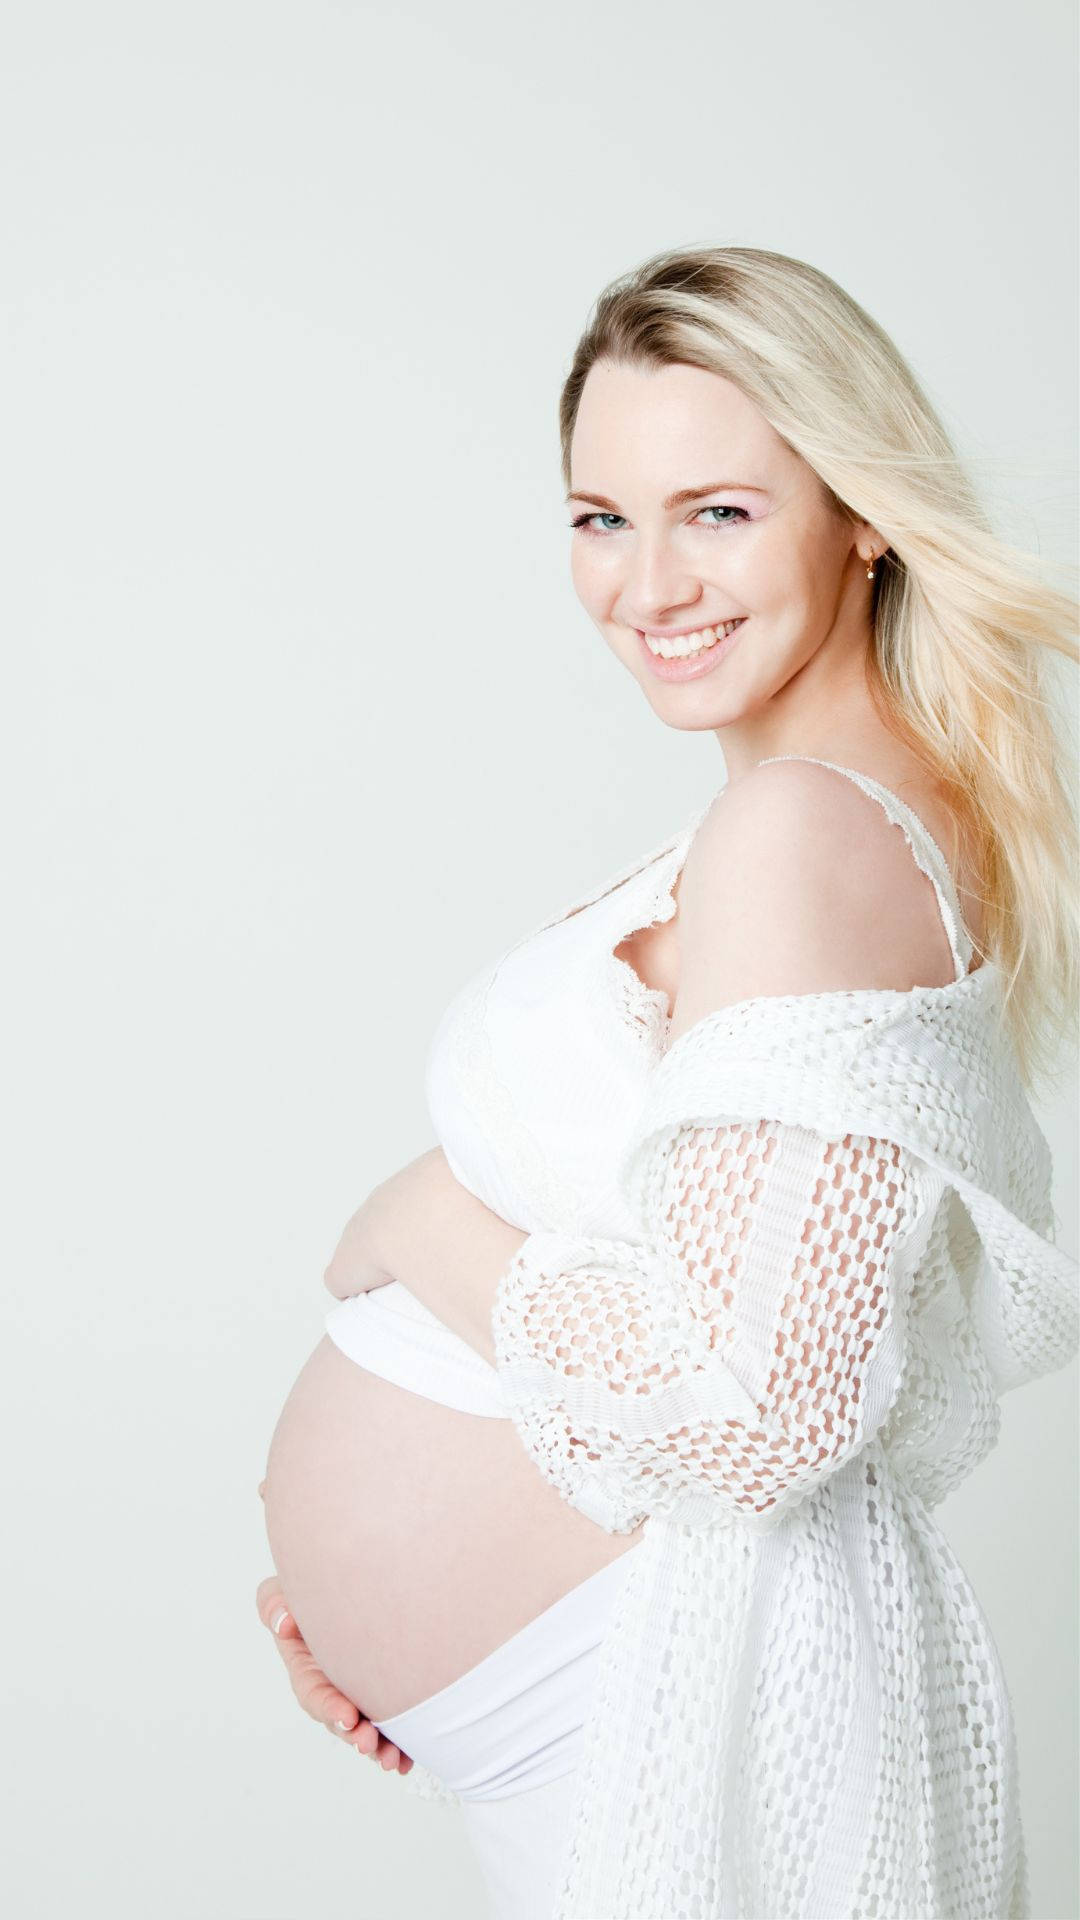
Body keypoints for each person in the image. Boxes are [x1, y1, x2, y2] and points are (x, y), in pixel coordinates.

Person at [256, 245, 1079, 1919]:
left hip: (670, 1705)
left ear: (858, 511)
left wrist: (415, 1222)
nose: (648, 584)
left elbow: (760, 1416)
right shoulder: (821, 817)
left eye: (718, 511)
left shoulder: (808, 829)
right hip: (603, 1705)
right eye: (600, 517)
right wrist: (352, 1580)